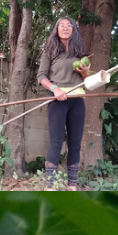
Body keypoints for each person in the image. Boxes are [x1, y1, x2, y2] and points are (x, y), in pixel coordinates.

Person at [36, 15, 92, 190]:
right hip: (57, 100)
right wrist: (55, 89)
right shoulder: (50, 51)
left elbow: (87, 82)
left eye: (69, 25)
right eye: (62, 25)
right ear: (57, 29)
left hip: (77, 100)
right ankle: (50, 186)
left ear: (74, 29)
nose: (65, 28)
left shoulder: (80, 54)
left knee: (75, 144)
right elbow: (41, 76)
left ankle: (72, 185)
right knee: (56, 142)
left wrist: (85, 73)